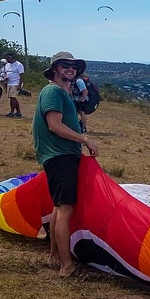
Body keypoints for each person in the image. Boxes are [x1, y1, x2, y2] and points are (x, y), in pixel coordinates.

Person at [32, 51, 99, 277]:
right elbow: (55, 125)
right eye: (64, 65)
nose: (70, 69)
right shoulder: (52, 91)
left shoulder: (62, 92)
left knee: (58, 207)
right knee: (66, 209)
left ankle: (54, 255)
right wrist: (85, 139)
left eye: (73, 66)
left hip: (62, 155)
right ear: (55, 69)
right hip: (60, 156)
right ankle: (67, 266)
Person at [2, 53, 25, 118]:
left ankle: (12, 112)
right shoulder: (7, 65)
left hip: (15, 83)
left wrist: (19, 85)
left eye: (7, 58)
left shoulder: (19, 65)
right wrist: (5, 78)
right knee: (12, 98)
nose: (6, 60)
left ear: (11, 57)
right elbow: (6, 72)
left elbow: (21, 75)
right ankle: (18, 112)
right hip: (9, 83)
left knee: (12, 98)